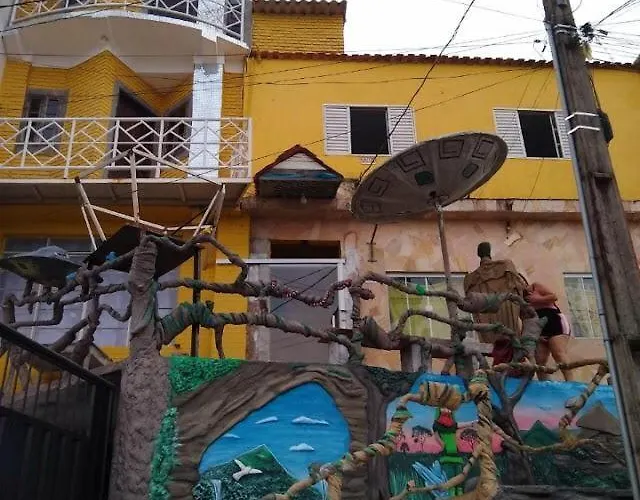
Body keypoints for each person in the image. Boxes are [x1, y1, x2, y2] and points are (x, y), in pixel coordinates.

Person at [463, 242, 528, 367]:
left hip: (490, 325)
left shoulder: (471, 279)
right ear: (490, 252)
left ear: (478, 254)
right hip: (508, 319)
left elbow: (473, 305)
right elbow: (519, 290)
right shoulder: (506, 266)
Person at [525, 282, 574, 381]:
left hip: (554, 321)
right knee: (539, 360)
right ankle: (545, 383)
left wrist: (537, 299)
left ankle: (570, 381)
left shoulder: (535, 287)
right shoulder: (518, 297)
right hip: (538, 326)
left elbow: (553, 296)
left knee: (558, 353)